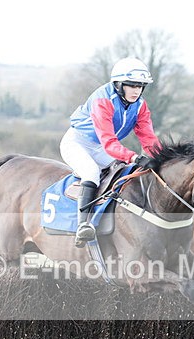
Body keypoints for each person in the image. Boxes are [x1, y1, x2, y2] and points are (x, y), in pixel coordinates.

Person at [60, 57, 161, 246]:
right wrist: (133, 156)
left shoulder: (140, 105)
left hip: (100, 147)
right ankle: (83, 226)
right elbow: (109, 142)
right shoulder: (103, 100)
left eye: (140, 86)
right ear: (118, 84)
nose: (136, 91)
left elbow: (148, 137)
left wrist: (161, 158)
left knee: (126, 172)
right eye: (131, 85)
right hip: (77, 143)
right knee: (91, 172)